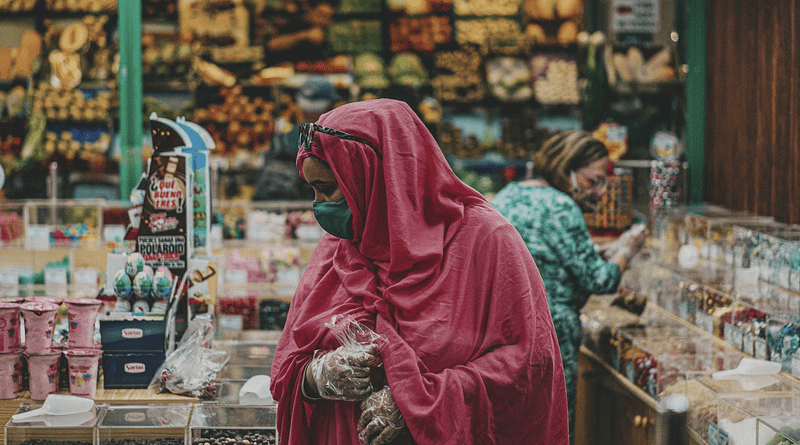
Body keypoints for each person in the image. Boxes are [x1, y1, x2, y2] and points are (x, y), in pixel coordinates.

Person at [270, 99, 569, 444]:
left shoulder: (486, 241)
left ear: (377, 175)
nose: (319, 205)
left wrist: (421, 403)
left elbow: (528, 363)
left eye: (327, 189)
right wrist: (316, 377)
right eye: (313, 190)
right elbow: (288, 366)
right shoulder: (339, 247)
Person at [491, 131, 645, 443]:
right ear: (567, 168)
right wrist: (627, 249)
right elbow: (599, 279)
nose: (600, 193)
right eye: (593, 181)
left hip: (504, 329)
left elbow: (546, 253)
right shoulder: (561, 206)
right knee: (554, 424)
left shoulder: (508, 194)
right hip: (552, 333)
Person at [254, 76, 339, 200]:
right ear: (330, 105)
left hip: (276, 207)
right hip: (307, 207)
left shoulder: (283, 137)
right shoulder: (332, 138)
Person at [265, 0, 338, 65]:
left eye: (329, 17)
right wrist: (305, 35)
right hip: (285, 72)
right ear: (310, 11)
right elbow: (272, 45)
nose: (324, 20)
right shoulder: (295, 23)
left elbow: (324, 58)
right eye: (321, 15)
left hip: (313, 74)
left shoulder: (325, 31)